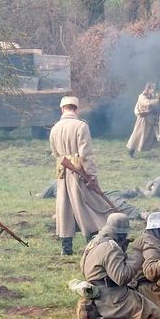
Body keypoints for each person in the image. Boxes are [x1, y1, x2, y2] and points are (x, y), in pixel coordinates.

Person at [73, 213, 160, 319]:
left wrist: (122, 249)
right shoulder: (111, 248)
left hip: (97, 292)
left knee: (146, 304)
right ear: (121, 234)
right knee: (155, 315)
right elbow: (122, 278)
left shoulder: (95, 242)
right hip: (112, 298)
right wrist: (137, 254)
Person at [49, 96, 111, 255]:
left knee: (65, 208)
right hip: (79, 172)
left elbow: (55, 153)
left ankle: (66, 247)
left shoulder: (55, 128)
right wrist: (91, 176)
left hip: (62, 172)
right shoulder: (81, 126)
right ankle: (92, 243)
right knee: (86, 206)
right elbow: (86, 155)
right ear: (76, 109)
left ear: (62, 109)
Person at [126, 83, 160, 158]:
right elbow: (147, 103)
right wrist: (157, 100)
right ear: (148, 89)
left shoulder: (152, 96)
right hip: (143, 120)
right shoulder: (142, 96)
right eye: (152, 89)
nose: (153, 91)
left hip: (151, 119)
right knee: (137, 136)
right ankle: (131, 151)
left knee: (155, 136)